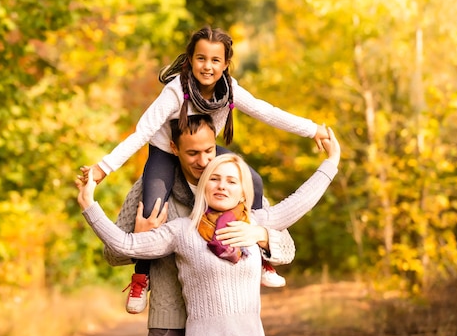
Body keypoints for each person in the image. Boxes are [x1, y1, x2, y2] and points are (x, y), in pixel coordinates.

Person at [82, 26, 330, 312]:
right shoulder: (175, 91)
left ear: (225, 64)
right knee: (151, 206)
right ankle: (141, 275)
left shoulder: (230, 90)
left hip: (205, 150)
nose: (207, 66)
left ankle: (262, 258)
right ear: (190, 59)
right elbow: (142, 131)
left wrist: (312, 130)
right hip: (166, 152)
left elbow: (266, 111)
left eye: (215, 60)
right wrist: (103, 168)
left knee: (254, 180)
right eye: (201, 58)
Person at [75, 126, 341, 336]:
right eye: (213, 178)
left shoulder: (252, 220)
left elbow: (299, 205)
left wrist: (262, 235)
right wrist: (92, 205)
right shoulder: (179, 225)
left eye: (230, 181)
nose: (219, 183)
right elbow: (121, 246)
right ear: (175, 149)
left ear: (243, 191)